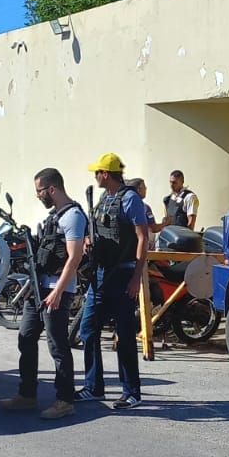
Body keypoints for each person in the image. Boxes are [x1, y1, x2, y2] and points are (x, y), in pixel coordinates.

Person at [1, 168, 87, 418]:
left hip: (56, 290)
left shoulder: (72, 217)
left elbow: (75, 258)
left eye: (39, 190)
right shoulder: (53, 217)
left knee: (57, 345)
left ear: (52, 189)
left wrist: (59, 291)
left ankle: (64, 400)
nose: (38, 195)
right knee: (26, 337)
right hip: (39, 288)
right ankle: (27, 394)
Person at [76, 152, 154, 409]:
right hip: (101, 274)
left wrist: (136, 279)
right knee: (88, 329)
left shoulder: (130, 199)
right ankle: (93, 386)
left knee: (125, 335)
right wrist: (89, 242)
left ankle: (131, 391)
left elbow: (143, 238)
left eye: (97, 172)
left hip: (123, 274)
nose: (95, 176)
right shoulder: (102, 199)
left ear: (105, 174)